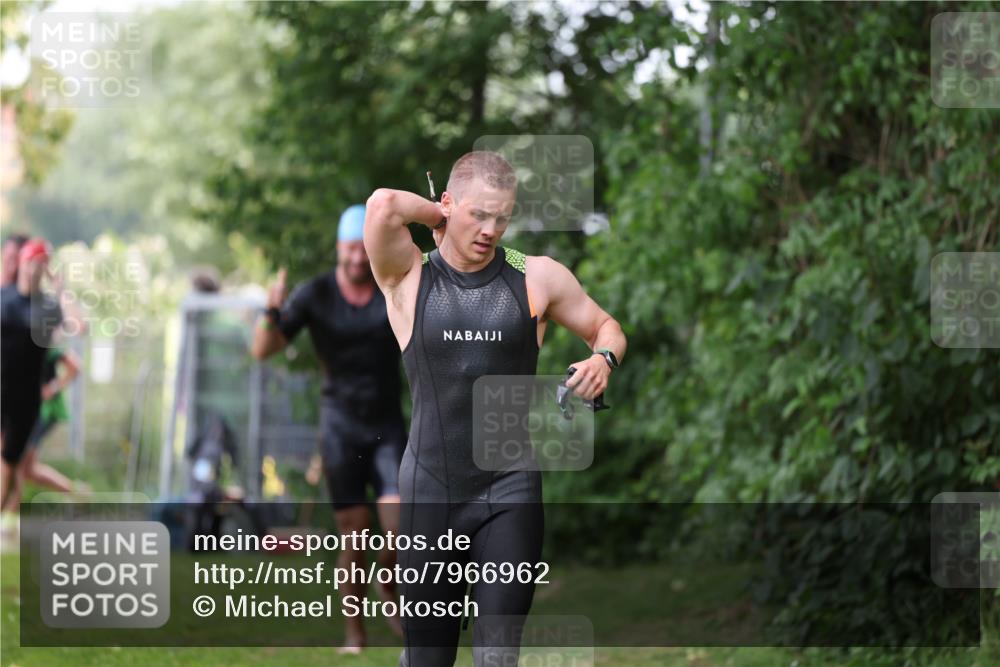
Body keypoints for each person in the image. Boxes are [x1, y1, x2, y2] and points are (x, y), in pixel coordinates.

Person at [364, 151, 627, 667]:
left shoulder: (535, 276)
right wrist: (440, 220)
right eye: (477, 215)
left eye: (502, 217)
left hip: (509, 489)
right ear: (447, 204)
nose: (490, 229)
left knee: (498, 658)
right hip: (430, 491)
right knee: (426, 660)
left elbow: (606, 327)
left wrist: (605, 359)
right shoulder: (409, 276)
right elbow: (383, 205)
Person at [251, 204, 407, 651]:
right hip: (340, 426)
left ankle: (389, 582)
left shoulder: (391, 289)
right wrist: (271, 309)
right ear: (338, 248)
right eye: (349, 250)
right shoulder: (315, 294)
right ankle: (354, 634)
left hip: (386, 425)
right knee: (354, 538)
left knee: (400, 530)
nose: (357, 259)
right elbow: (265, 349)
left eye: (364, 250)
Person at [1, 239, 64, 514]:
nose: (34, 270)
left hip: (25, 398)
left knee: (8, 463)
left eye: (42, 265)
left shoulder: (48, 306)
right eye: (31, 263)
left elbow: (78, 325)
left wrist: (61, 290)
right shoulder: (4, 298)